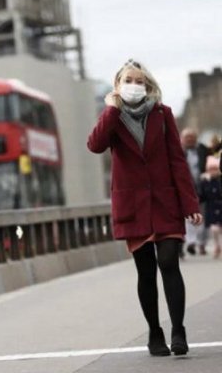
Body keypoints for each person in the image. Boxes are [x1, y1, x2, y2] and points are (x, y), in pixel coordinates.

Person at [87, 59, 202, 357]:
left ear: (148, 86)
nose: (135, 86)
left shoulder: (163, 115)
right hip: (133, 206)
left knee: (169, 262)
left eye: (140, 81)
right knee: (146, 271)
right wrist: (112, 109)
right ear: (118, 84)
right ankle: (155, 332)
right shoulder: (111, 117)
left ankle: (178, 330)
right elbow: (95, 145)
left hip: (165, 203)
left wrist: (189, 203)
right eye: (129, 80)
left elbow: (177, 160)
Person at [180, 128, 208, 256]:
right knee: (188, 217)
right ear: (182, 139)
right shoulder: (177, 151)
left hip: (202, 188)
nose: (190, 139)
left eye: (192, 137)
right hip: (185, 188)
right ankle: (191, 242)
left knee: (203, 217)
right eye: (187, 137)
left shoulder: (203, 150)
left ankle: (201, 242)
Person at [199, 156, 222, 257]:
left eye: (215, 169)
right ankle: (217, 245)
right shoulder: (205, 182)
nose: (213, 172)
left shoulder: (219, 181)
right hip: (211, 207)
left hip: (220, 206)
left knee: (220, 229)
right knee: (214, 229)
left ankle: (219, 246)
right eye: (211, 169)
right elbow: (201, 195)